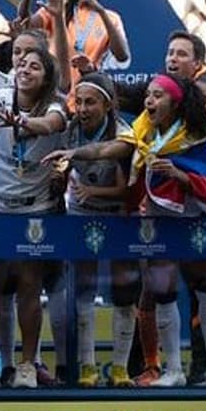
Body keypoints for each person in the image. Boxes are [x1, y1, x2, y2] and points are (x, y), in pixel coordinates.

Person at [46, 74, 206, 388]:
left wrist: (181, 177)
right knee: (164, 294)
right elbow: (110, 153)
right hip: (158, 220)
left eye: (157, 96)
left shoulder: (198, 135)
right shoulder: (142, 133)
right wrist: (74, 157)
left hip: (196, 220)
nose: (149, 101)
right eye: (148, 96)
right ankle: (172, 371)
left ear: (176, 102)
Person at [0, 47, 68, 389]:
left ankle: (27, 365)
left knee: (29, 286)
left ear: (46, 77)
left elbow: (49, 124)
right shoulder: (0, 95)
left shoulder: (55, 104)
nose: (26, 70)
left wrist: (22, 121)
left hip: (33, 210)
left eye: (35, 66)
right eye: (22, 64)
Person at [55, 73, 138, 388]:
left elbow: (111, 164)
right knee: (84, 290)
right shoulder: (70, 129)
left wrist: (91, 188)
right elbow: (61, 174)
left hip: (118, 216)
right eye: (80, 101)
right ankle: (87, 367)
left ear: (109, 104)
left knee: (123, 292)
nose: (84, 108)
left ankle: (119, 369)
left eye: (91, 102)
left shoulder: (124, 134)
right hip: (81, 214)